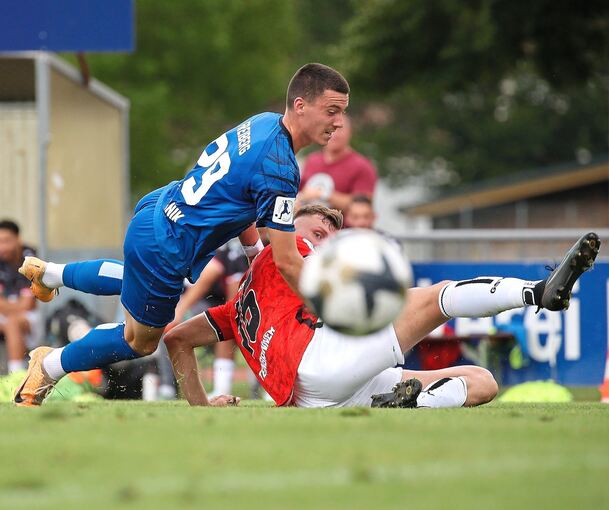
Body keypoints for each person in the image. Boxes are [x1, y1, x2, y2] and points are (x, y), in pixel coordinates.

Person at [14, 63, 350, 407]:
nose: (339, 122)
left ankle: (50, 273)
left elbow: (239, 196)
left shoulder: (264, 123)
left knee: (135, 282)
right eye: (332, 111)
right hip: (164, 249)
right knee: (139, 341)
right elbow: (288, 261)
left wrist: (252, 255)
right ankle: (50, 365)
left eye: (342, 112)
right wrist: (330, 309)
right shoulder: (280, 168)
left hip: (158, 207)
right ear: (300, 105)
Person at [164, 213, 600, 408]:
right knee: (435, 297)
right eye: (319, 231)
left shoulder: (235, 309)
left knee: (481, 381)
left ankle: (405, 404)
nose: (324, 242)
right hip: (320, 361)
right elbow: (254, 228)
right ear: (291, 228)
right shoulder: (290, 250)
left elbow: (176, 340)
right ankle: (538, 292)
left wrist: (202, 406)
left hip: (317, 396)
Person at [298, 115, 377, 213]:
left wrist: (323, 194)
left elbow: (363, 208)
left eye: (339, 129)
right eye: (329, 130)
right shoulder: (311, 160)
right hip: (309, 224)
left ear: (350, 132)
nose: (334, 135)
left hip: (343, 227)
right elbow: (298, 194)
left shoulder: (363, 166)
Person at [0, 220, 39, 374]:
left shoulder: (31, 259)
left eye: (6, 241)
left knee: (12, 323)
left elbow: (28, 305)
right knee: (11, 321)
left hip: (30, 317)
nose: (2, 247)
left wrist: (7, 307)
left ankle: (15, 377)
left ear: (18, 239)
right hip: (5, 316)